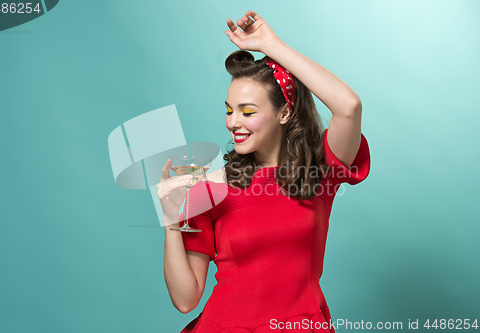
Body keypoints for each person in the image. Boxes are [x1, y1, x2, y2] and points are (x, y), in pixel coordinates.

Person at [158, 10, 371, 333]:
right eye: (229, 110)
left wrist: (271, 45)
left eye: (248, 111)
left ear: (284, 113)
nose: (233, 122)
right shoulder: (208, 188)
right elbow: (186, 299)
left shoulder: (319, 173)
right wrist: (171, 219)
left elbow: (349, 106)